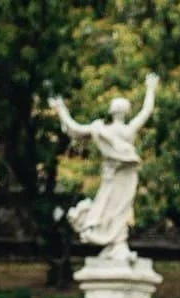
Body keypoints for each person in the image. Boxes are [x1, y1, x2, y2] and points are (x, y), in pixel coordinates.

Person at [49, 75, 161, 261]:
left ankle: (118, 244)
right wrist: (150, 88)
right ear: (125, 112)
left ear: (111, 111)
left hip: (117, 175)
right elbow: (146, 110)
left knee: (115, 207)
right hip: (122, 176)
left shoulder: (101, 130)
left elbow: (73, 128)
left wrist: (60, 108)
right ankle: (117, 243)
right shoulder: (127, 130)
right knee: (119, 208)